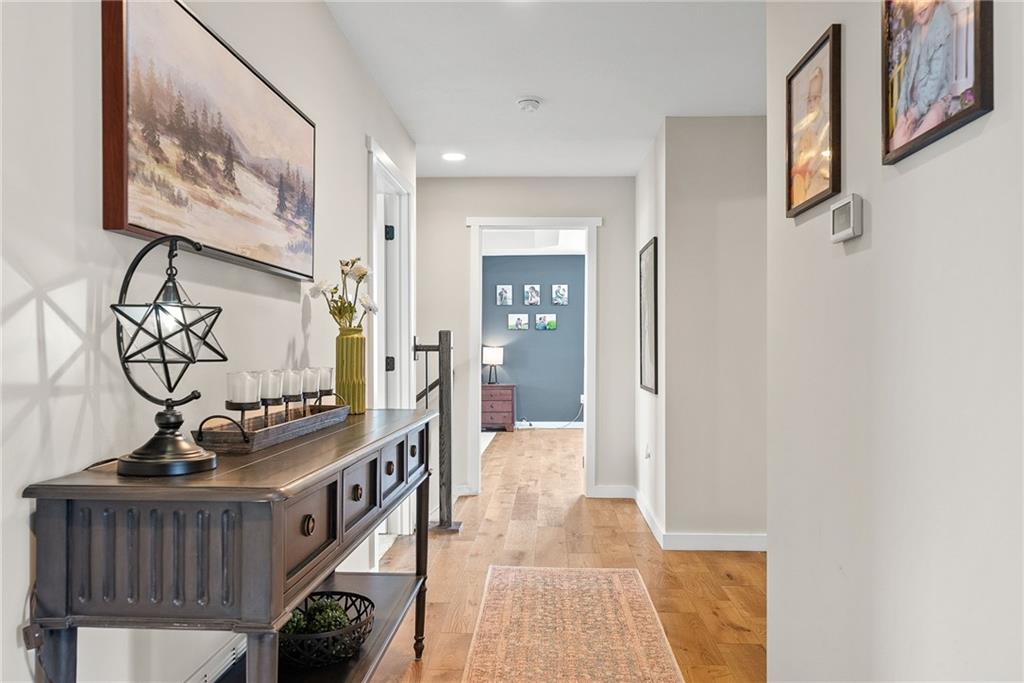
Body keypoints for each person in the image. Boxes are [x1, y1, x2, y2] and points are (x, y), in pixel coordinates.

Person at [890, 0, 954, 148]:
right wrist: (902, 113)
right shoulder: (917, 30)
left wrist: (916, 111)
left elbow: (936, 79)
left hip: (936, 100)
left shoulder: (942, 25)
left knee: (916, 141)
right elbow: (907, 75)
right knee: (896, 144)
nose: (918, 5)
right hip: (914, 104)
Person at [790, 66, 831, 207]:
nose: (812, 104)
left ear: (821, 101)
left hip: (813, 181)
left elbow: (821, 164)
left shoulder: (824, 128)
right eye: (809, 100)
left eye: (815, 99)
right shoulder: (803, 131)